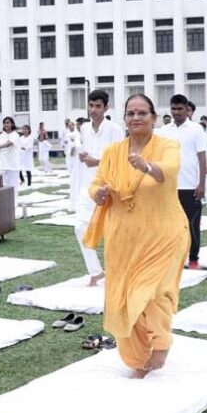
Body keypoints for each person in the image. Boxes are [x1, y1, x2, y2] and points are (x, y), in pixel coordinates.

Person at [85, 93, 189, 377]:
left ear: (154, 118)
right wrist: (100, 193)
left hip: (164, 234)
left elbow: (168, 171)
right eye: (130, 113)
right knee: (126, 297)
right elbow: (94, 185)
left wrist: (146, 166)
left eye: (142, 113)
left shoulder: (168, 145)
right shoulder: (112, 153)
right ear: (125, 120)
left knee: (153, 293)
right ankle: (138, 352)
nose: (136, 118)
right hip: (124, 240)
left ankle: (161, 343)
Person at [76, 89, 124, 286]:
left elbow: (120, 159)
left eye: (98, 106)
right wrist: (85, 157)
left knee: (113, 232)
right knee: (80, 227)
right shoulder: (85, 129)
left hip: (108, 186)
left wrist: (96, 161)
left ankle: (119, 272)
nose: (93, 110)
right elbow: (87, 154)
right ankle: (96, 272)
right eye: (91, 106)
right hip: (88, 185)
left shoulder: (115, 129)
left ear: (106, 108)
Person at [158, 94, 207, 270]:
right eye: (174, 109)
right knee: (170, 225)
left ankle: (193, 259)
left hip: (190, 186)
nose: (177, 112)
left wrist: (201, 184)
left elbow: (202, 158)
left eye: (180, 109)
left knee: (192, 224)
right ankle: (172, 257)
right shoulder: (164, 131)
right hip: (169, 186)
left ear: (187, 109)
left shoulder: (196, 129)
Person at [0, 116, 21, 204]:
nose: (6, 124)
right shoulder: (1, 135)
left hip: (12, 165)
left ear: (12, 124)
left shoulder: (15, 135)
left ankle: (13, 206)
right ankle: (0, 204)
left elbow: (9, 144)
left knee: (13, 187)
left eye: (8, 122)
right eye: (5, 123)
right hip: (1, 164)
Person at [65, 120, 82, 211]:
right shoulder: (75, 135)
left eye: (80, 125)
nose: (78, 126)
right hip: (76, 161)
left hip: (83, 163)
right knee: (76, 181)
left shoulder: (79, 135)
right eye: (77, 125)